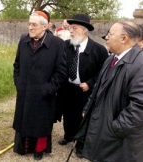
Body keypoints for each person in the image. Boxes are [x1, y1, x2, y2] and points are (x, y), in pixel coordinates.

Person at [74, 21, 143, 162]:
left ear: (124, 39)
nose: (106, 37)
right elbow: (98, 88)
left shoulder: (139, 64)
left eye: (110, 34)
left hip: (119, 140)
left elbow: (139, 107)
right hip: (103, 131)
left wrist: (114, 129)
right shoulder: (111, 59)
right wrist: (88, 108)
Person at [12, 11, 67, 160]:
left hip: (44, 94)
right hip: (25, 91)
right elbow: (16, 64)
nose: (30, 27)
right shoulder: (24, 39)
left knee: (40, 123)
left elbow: (61, 72)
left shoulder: (57, 44)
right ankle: (24, 146)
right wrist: (19, 82)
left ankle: (39, 149)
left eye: (34, 25)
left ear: (44, 27)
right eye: (29, 24)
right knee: (24, 119)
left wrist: (48, 89)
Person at [55, 14, 108, 158]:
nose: (70, 31)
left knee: (82, 117)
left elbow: (103, 72)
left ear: (84, 29)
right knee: (68, 114)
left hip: (85, 91)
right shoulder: (66, 46)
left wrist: (90, 83)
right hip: (67, 88)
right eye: (70, 27)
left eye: (74, 28)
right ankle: (68, 135)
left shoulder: (99, 50)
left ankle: (81, 143)